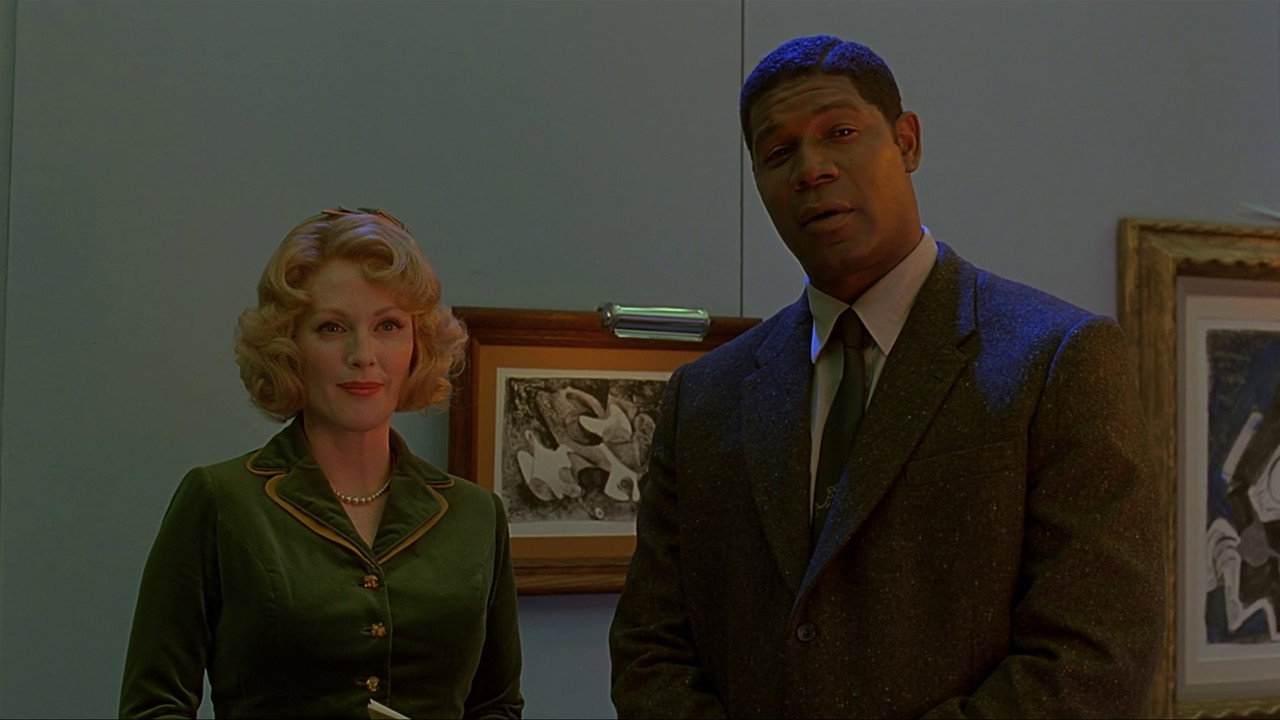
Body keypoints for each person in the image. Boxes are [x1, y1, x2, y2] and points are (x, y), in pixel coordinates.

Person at [609, 35, 1162, 718]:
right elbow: (649, 650)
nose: (811, 169)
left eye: (840, 133)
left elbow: (1095, 654)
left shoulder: (1055, 359)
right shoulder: (705, 398)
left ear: (907, 142)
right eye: (778, 153)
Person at [120, 208, 523, 719]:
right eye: (332, 327)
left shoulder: (476, 515)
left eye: (388, 326)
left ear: (417, 345)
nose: (363, 354)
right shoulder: (221, 500)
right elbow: (154, 707)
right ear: (289, 347)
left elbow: (497, 705)